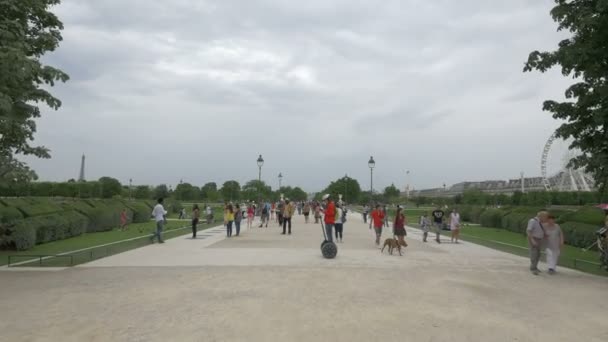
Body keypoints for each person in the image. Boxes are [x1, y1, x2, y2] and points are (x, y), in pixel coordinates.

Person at [527, 211, 549, 275]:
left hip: (539, 239)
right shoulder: (532, 221)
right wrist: (532, 240)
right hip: (534, 238)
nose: (546, 219)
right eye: (546, 217)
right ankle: (533, 268)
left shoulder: (540, 222)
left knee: (538, 254)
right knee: (534, 253)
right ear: (542, 216)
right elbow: (528, 231)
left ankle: (535, 267)